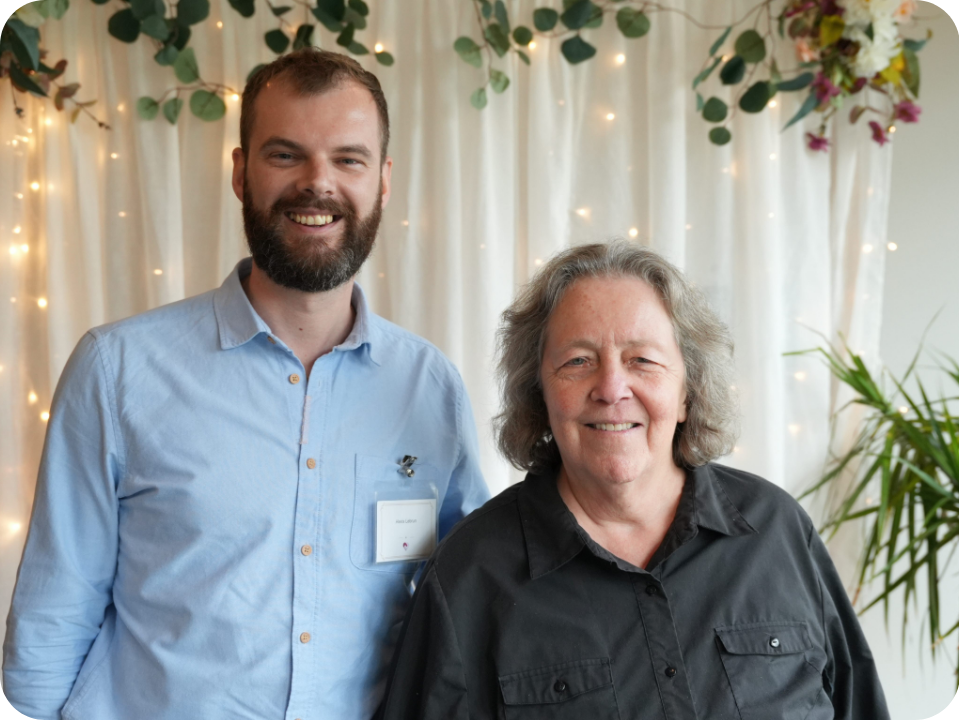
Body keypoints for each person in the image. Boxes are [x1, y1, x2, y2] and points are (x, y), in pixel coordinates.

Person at [2, 49, 489, 720]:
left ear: (383, 181)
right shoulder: (117, 369)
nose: (317, 185)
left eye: (348, 159)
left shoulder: (428, 386)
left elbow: (465, 602)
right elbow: (54, 614)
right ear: (240, 173)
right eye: (285, 155)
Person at [378, 241, 890, 719]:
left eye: (642, 360)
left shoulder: (776, 531)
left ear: (688, 391)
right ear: (540, 396)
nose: (611, 388)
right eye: (577, 361)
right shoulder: (470, 573)